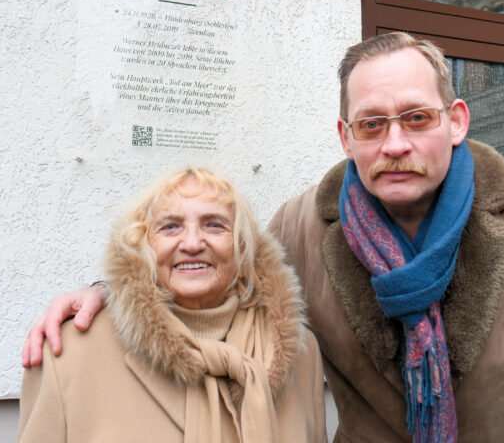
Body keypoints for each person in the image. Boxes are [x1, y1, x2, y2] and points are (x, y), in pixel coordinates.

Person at [22, 33, 504, 442]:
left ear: (455, 122)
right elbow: (214, 281)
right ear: (347, 138)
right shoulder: (302, 226)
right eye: (372, 125)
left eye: (415, 118)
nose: (394, 144)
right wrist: (110, 290)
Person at [17, 167, 326, 443]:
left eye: (214, 225)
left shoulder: (301, 353)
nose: (192, 244)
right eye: (170, 227)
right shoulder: (69, 352)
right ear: (143, 246)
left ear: (242, 249)